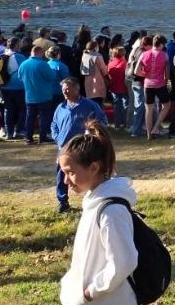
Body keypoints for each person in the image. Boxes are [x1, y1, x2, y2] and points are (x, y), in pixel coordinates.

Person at [58, 121, 140, 305]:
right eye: (63, 173)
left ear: (94, 167)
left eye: (71, 172)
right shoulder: (94, 202)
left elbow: (124, 261)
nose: (65, 180)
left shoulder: (111, 211)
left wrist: (90, 292)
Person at [51, 78, 108, 213]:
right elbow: (54, 125)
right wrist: (58, 138)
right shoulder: (61, 107)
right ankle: (63, 202)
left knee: (89, 172)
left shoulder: (90, 105)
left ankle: (98, 199)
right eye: (63, 89)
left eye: (68, 88)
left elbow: (102, 121)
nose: (65, 91)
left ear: (77, 89)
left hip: (84, 149)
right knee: (62, 176)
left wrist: (91, 135)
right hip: (64, 149)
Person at [18, 45, 60, 145]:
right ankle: (42, 137)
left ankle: (29, 138)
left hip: (29, 96)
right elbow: (52, 77)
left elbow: (20, 77)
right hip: (44, 95)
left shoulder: (23, 64)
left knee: (30, 117)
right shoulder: (43, 64)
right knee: (44, 117)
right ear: (40, 53)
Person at [138, 35, 172, 141]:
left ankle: (149, 134)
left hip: (148, 84)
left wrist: (147, 75)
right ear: (161, 44)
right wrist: (166, 81)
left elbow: (136, 71)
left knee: (148, 109)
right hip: (160, 84)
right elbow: (167, 74)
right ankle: (155, 128)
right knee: (166, 105)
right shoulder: (164, 55)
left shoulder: (144, 54)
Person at [0, 42, 28, 141]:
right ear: (17, 46)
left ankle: (9, 132)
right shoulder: (19, 56)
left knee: (8, 109)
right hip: (19, 86)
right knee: (23, 109)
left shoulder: (1, 56)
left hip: (4, 86)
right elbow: (24, 70)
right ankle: (19, 130)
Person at [126, 36, 150, 138]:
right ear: (147, 45)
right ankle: (136, 131)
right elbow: (138, 69)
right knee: (140, 107)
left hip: (134, 81)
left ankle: (138, 128)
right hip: (139, 82)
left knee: (139, 105)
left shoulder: (137, 50)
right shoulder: (143, 53)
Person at [81, 40, 109, 106]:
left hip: (88, 80)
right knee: (98, 101)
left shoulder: (85, 55)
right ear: (95, 47)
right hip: (97, 80)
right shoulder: (98, 56)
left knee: (90, 100)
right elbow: (104, 70)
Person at [106, 47, 129, 129]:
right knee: (125, 105)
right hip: (123, 86)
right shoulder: (125, 63)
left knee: (117, 106)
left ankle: (117, 124)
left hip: (114, 87)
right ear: (123, 54)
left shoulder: (110, 63)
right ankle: (126, 123)